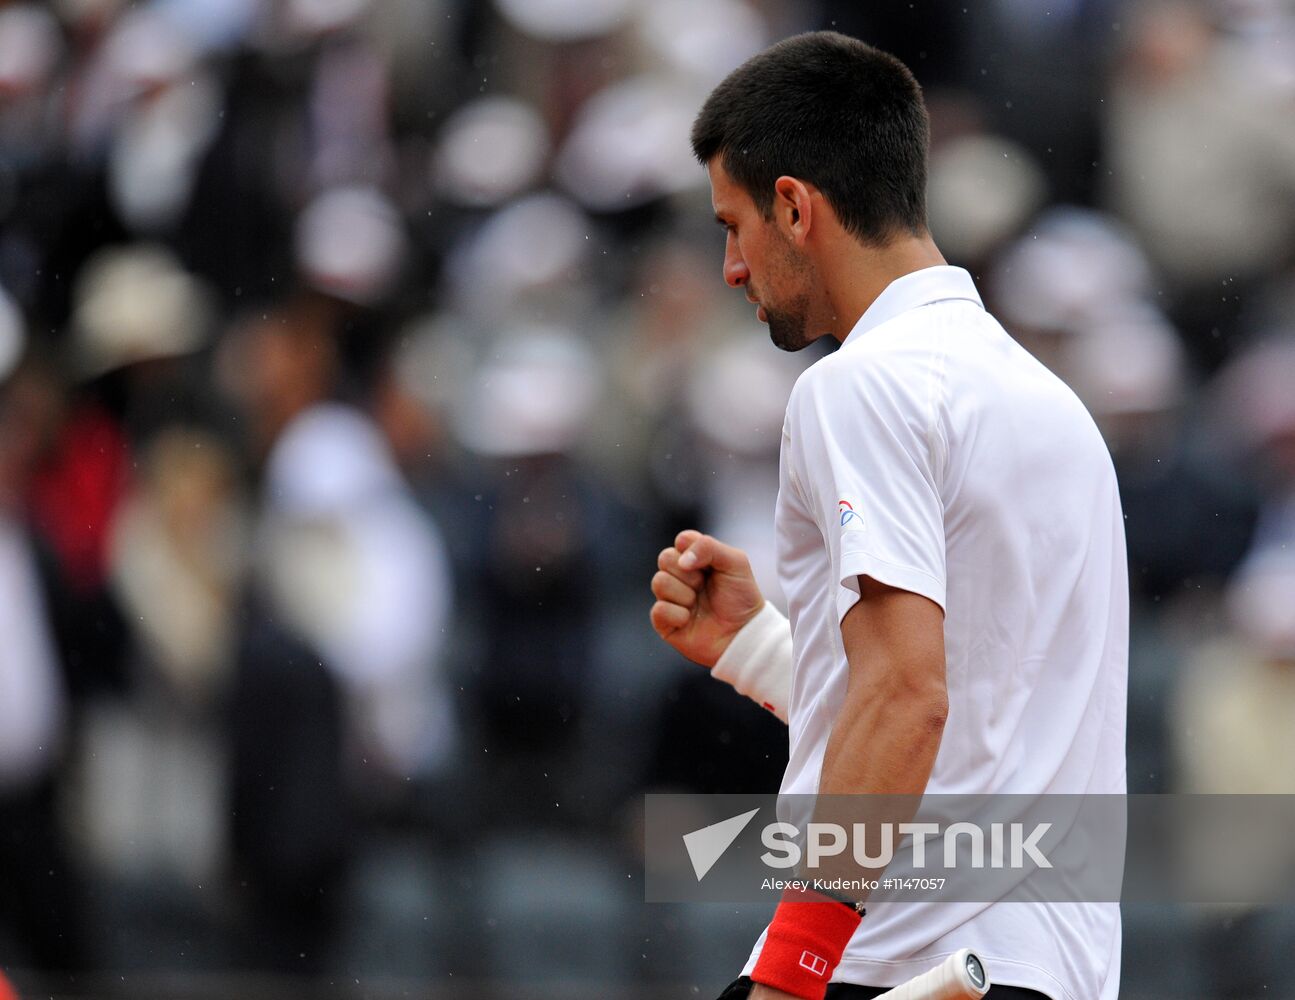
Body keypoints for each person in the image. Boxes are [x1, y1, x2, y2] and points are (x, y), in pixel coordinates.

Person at [649, 32, 1127, 1000]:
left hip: (892, 964)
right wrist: (757, 650)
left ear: (794, 206)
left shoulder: (858, 388)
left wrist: (791, 970)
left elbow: (908, 699)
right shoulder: (1051, 405)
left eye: (732, 226)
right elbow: (979, 705)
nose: (731, 267)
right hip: (1045, 973)